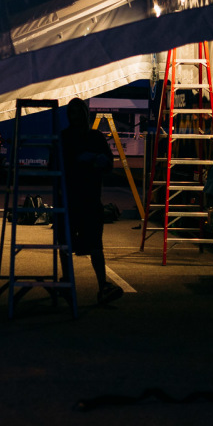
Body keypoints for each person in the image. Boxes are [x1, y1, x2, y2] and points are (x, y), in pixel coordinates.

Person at [60, 97, 124, 305]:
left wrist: (94, 160)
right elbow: (64, 163)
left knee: (79, 243)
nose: (76, 118)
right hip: (77, 199)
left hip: (82, 199)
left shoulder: (75, 137)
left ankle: (81, 284)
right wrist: (92, 160)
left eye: (78, 113)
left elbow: (107, 164)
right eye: (74, 114)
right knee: (75, 243)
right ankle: (94, 285)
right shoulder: (75, 138)